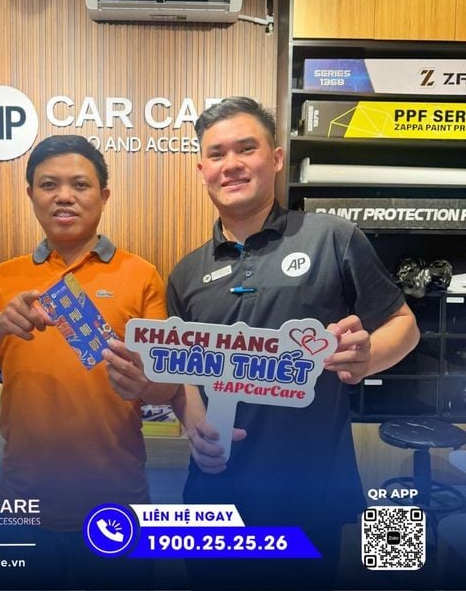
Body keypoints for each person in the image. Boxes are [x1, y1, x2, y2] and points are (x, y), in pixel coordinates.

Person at [167, 97, 420, 590]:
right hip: (214, 495)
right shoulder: (186, 272)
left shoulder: (332, 237)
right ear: (202, 170)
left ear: (277, 157)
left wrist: (367, 357)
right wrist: (193, 421)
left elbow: (403, 325)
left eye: (246, 148)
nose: (231, 164)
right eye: (216, 154)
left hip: (307, 493)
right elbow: (183, 371)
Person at [0, 134, 177, 590]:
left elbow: (167, 387)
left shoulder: (142, 274)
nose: (64, 196)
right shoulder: (3, 278)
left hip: (117, 506)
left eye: (80, 185)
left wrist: (144, 381)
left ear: (104, 195)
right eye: (49, 184)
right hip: (20, 506)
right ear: (31, 194)